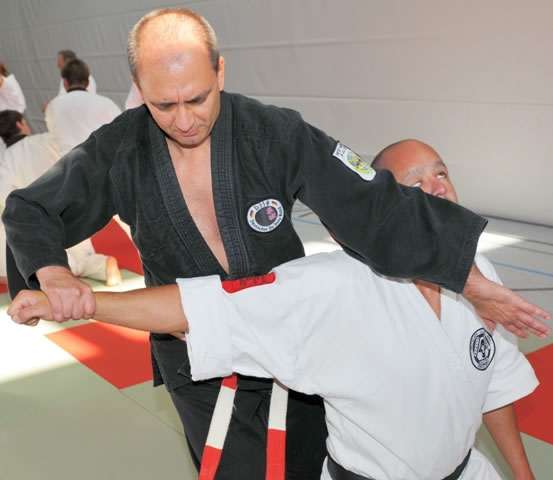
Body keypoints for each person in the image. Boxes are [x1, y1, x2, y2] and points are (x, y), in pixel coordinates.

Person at [2, 8, 549, 480]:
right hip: (198, 358)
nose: (185, 119)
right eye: (164, 105)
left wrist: (469, 279)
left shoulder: (274, 133)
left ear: (221, 70)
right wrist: (53, 272)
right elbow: (29, 207)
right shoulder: (119, 150)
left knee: (312, 462)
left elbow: (371, 201)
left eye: (198, 98)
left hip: (295, 344)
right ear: (138, 87)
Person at [8, 141, 539, 478]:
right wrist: (84, 302)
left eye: (441, 172)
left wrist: (522, 475)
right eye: (414, 182)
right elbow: (200, 307)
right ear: (379, 211)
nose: (435, 186)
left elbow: (495, 386)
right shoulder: (334, 286)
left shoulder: (479, 276)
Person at [0, 110, 121, 287]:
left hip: (31, 219)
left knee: (26, 246)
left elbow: (4, 195)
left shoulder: (4, 157)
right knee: (77, 253)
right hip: (64, 206)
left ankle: (55, 274)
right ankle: (100, 266)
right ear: (20, 124)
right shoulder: (47, 139)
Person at [44, 58, 121, 155]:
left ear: (65, 83)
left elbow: (53, 133)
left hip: (66, 160)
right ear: (88, 83)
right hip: (99, 159)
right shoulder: (107, 104)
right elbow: (120, 132)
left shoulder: (53, 105)